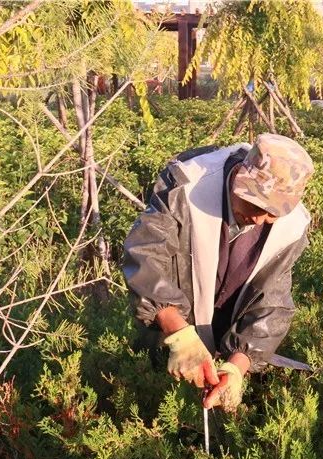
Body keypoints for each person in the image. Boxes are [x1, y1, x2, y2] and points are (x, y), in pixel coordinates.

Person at [122, 133, 313, 413]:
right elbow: (146, 252)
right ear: (239, 176)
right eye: (254, 203)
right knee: (157, 405)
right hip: (170, 332)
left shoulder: (293, 226)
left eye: (271, 213)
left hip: (227, 333)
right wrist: (178, 333)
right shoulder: (188, 183)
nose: (259, 218)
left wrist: (237, 368)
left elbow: (271, 302)